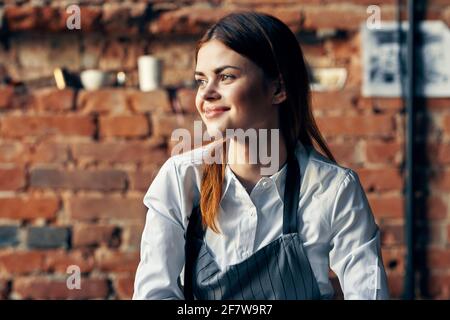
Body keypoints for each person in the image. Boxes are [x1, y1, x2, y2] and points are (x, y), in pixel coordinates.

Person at [133, 11, 389, 300]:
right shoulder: (180, 179)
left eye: (226, 76)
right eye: (201, 80)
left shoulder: (333, 189)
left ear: (278, 88)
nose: (206, 94)